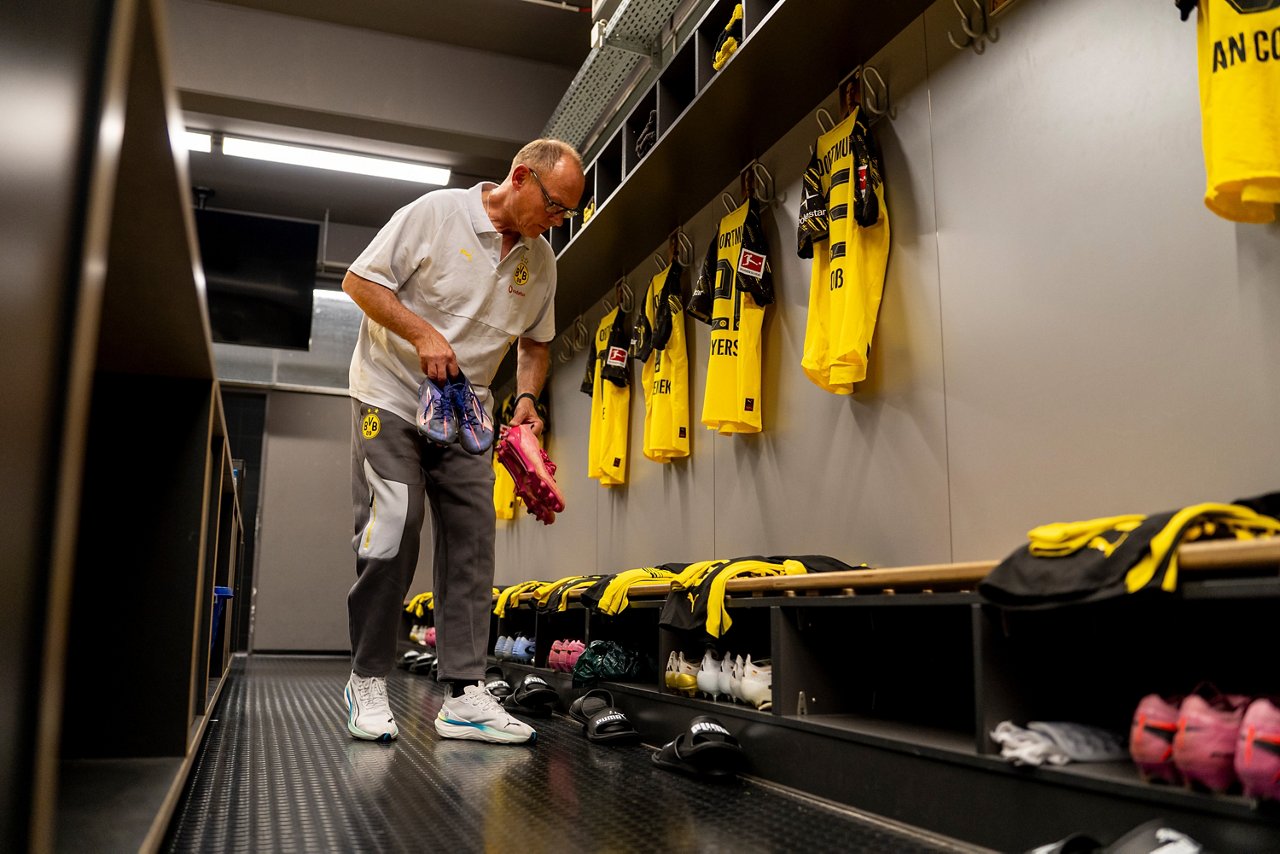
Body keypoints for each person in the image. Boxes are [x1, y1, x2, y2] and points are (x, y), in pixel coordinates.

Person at [340, 138, 584, 744]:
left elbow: (534, 343)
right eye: (555, 206)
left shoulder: (541, 261)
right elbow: (360, 282)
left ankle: (465, 695)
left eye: (566, 214)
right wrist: (423, 333)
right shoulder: (436, 215)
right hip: (392, 395)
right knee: (395, 525)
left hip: (467, 412)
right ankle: (366, 677)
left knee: (474, 542)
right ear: (520, 177)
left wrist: (526, 400)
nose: (557, 221)